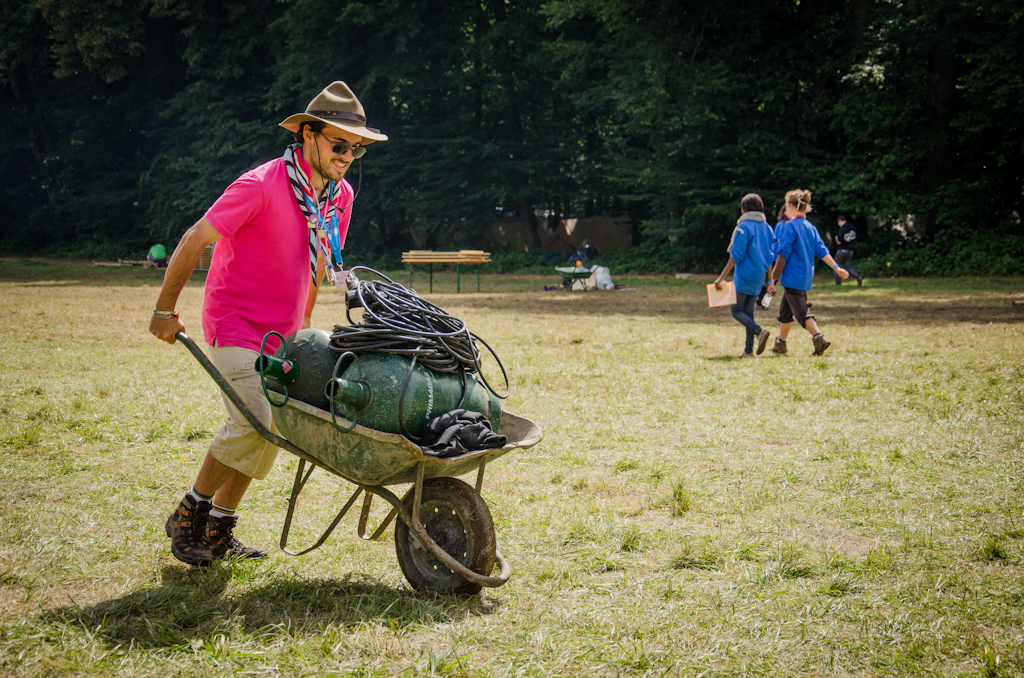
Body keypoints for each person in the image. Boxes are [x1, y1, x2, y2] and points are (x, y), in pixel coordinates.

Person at [148, 81, 387, 566]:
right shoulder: (260, 185)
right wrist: (162, 311)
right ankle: (188, 513)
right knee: (256, 414)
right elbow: (195, 239)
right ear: (306, 135)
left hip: (284, 332)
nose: (346, 156)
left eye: (355, 148)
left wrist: (303, 326)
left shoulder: (338, 196)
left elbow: (320, 263)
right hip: (234, 322)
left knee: (280, 420)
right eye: (338, 144)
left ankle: (219, 527)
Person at [766, 189, 848, 356]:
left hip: (791, 277)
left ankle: (818, 338)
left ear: (789, 206)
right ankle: (781, 343)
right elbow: (822, 250)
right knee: (785, 311)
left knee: (802, 312)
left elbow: (783, 255)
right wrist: (836, 267)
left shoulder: (789, 227)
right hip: (804, 276)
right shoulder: (810, 227)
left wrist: (772, 279)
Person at [714, 194, 775, 356]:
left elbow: (736, 255)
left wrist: (721, 278)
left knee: (736, 310)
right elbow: (770, 257)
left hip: (744, 275)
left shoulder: (743, 227)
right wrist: (769, 281)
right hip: (759, 276)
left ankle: (759, 331)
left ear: (744, 209)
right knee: (749, 313)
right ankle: (748, 350)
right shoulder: (768, 228)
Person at [833, 214, 864, 286]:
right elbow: (856, 237)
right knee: (847, 266)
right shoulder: (852, 228)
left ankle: (838, 283)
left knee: (837, 265)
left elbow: (839, 241)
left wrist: (836, 239)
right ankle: (858, 276)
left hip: (842, 250)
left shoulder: (842, 229)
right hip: (850, 250)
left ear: (840, 221)